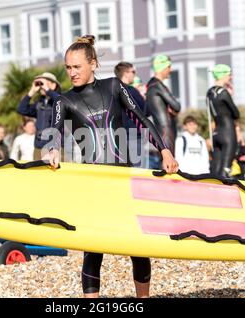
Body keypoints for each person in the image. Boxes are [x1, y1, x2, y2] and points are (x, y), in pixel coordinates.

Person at [48, 35, 178, 298]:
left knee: (137, 245)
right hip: (94, 184)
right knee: (93, 248)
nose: (72, 73)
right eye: (68, 68)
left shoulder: (114, 86)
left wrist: (164, 151)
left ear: (93, 64)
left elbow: (142, 120)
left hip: (124, 180)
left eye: (77, 67)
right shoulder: (64, 100)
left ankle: (143, 299)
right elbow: (54, 132)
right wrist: (52, 150)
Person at [206, 64, 242, 177]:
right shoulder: (223, 92)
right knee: (225, 169)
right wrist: (231, 95)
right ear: (223, 75)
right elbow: (236, 114)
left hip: (216, 133)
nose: (230, 77)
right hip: (228, 133)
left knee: (216, 168)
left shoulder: (209, 92)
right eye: (229, 75)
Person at [17, 72, 61, 160]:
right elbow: (21, 109)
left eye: (44, 83)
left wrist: (48, 90)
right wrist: (32, 91)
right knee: (37, 172)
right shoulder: (39, 104)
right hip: (38, 147)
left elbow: (62, 102)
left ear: (53, 85)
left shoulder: (59, 100)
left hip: (55, 148)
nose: (41, 86)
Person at [146, 55, 181, 156]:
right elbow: (177, 106)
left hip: (160, 130)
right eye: (169, 67)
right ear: (163, 68)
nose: (170, 70)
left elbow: (147, 110)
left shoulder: (150, 85)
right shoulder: (158, 86)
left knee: (165, 161)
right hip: (167, 130)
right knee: (169, 162)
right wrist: (172, 109)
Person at [114, 61, 147, 167]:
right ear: (127, 73)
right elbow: (145, 111)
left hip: (117, 137)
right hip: (133, 136)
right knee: (137, 173)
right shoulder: (132, 91)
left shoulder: (112, 91)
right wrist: (144, 97)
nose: (134, 74)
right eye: (133, 71)